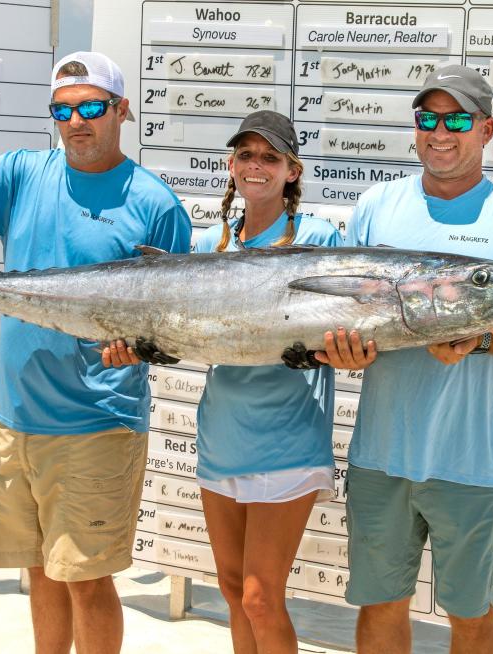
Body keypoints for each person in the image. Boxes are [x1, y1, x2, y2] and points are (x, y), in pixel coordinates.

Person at [0, 52, 191, 654]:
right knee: (39, 572)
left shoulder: (157, 204)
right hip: (14, 418)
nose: (76, 121)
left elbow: (172, 326)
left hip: (95, 424)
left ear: (121, 110)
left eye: (91, 107)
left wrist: (139, 350)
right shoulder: (23, 173)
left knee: (86, 579)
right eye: (63, 110)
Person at [329, 65, 493, 654]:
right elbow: (343, 318)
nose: (442, 132)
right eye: (429, 118)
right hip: (380, 458)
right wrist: (346, 353)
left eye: (459, 119)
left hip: (472, 466)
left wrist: (482, 339)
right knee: (381, 604)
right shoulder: (374, 208)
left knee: (470, 614)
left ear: (487, 129)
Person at [192, 110, 342, 654]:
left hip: (289, 441)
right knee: (233, 592)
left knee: (261, 596)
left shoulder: (319, 238)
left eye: (270, 158)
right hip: (221, 437)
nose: (257, 166)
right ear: (232, 165)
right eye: (246, 156)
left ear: (292, 171)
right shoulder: (211, 242)